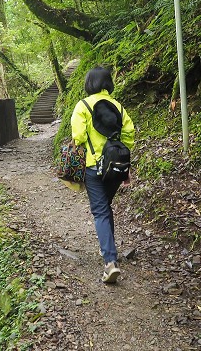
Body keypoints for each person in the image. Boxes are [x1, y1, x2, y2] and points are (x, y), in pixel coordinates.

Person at [70, 66, 135, 283]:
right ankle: (109, 250)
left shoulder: (83, 106)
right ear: (108, 83)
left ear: (89, 84)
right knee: (105, 208)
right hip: (116, 166)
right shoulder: (118, 106)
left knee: (100, 211)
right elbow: (129, 134)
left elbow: (78, 136)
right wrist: (123, 162)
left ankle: (110, 262)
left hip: (92, 167)